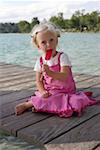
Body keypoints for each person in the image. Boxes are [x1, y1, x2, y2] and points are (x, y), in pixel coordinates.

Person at [15, 22, 100, 117]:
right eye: (43, 42)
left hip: (67, 92)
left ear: (56, 41)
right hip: (51, 92)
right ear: (38, 46)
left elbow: (64, 76)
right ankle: (28, 105)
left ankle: (42, 106)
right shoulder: (40, 61)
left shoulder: (63, 57)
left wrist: (50, 72)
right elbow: (39, 81)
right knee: (45, 98)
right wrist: (43, 91)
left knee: (77, 102)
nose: (48, 44)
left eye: (51, 40)